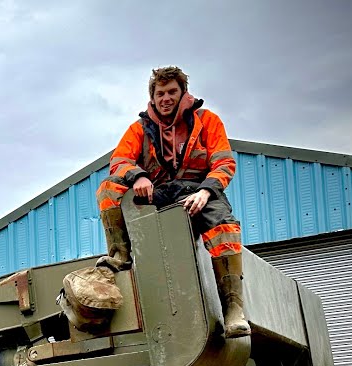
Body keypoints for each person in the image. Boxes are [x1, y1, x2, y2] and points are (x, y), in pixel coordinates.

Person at [96, 65, 250, 337]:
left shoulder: (208, 120)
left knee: (224, 227)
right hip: (158, 191)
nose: (166, 98)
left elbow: (224, 162)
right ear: (152, 97)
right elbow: (119, 161)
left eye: (171, 92)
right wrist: (138, 177)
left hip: (197, 190)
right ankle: (119, 257)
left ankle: (234, 310)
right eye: (160, 93)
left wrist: (205, 192)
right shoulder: (139, 128)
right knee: (108, 189)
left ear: (182, 94)